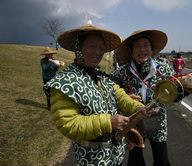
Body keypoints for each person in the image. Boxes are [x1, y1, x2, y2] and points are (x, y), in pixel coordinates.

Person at [44, 24, 153, 166]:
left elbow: (120, 95)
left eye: (102, 47)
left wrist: (136, 107)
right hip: (91, 159)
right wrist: (107, 122)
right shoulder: (64, 82)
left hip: (115, 155)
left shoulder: (102, 76)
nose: (98, 51)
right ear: (78, 48)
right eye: (92, 46)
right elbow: (67, 124)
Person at [112, 29, 192, 166]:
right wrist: (125, 98)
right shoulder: (121, 72)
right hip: (133, 122)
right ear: (131, 50)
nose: (142, 49)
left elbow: (173, 95)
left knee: (162, 161)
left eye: (146, 45)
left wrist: (188, 91)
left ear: (152, 48)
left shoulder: (164, 69)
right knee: (135, 161)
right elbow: (111, 97)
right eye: (137, 46)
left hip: (158, 121)